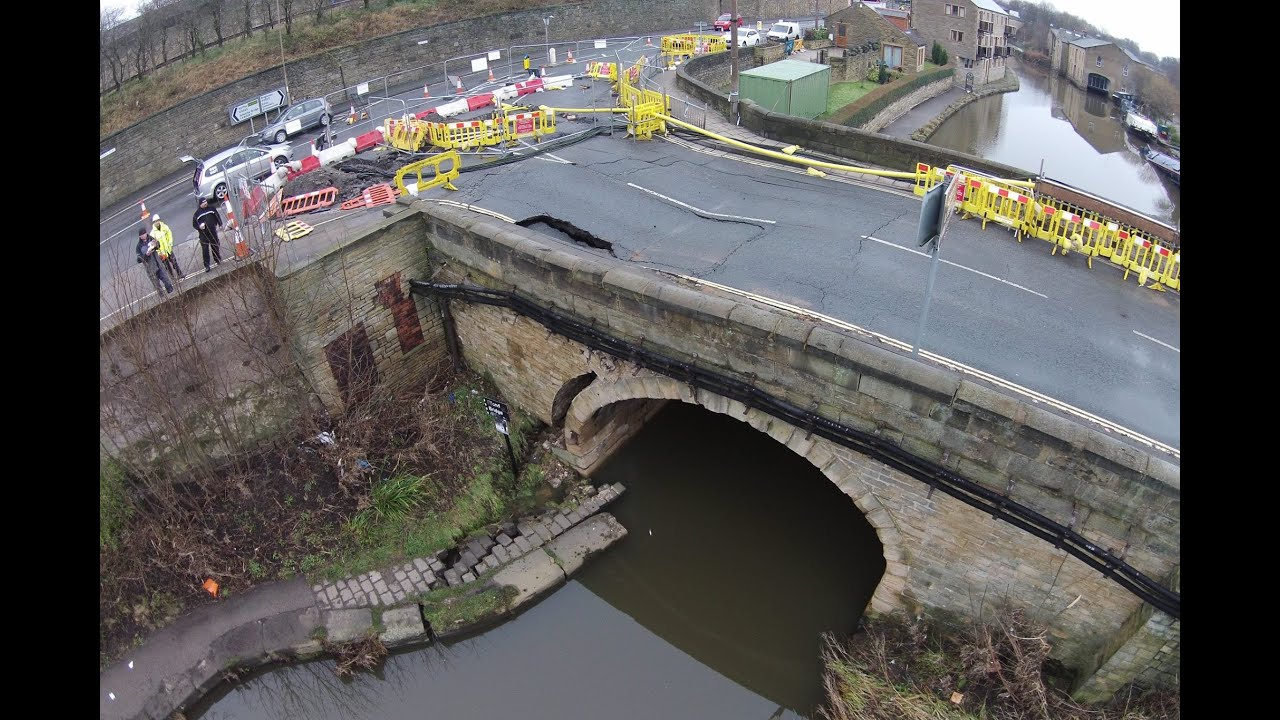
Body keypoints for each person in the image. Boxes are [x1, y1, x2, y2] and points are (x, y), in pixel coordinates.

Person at [136, 226, 174, 296]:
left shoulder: (151, 238)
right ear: (140, 236)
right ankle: (163, 298)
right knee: (157, 286)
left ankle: (172, 293)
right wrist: (146, 255)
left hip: (158, 264)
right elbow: (139, 259)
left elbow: (158, 246)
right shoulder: (139, 246)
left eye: (144, 234)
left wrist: (156, 244)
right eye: (141, 235)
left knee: (166, 280)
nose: (143, 236)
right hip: (150, 269)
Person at [192, 197, 224, 272]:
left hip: (212, 231)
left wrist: (220, 224)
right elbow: (194, 224)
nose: (205, 203)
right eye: (203, 203)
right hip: (204, 235)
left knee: (215, 246)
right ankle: (207, 265)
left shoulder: (211, 209)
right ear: (200, 204)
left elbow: (217, 216)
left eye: (205, 202)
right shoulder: (197, 213)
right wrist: (199, 227)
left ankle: (217, 259)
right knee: (205, 250)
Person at [151, 215, 182, 280]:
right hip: (162, 253)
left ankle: (180, 274)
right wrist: (159, 253)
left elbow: (169, 235)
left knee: (174, 263)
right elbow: (154, 246)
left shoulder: (165, 227)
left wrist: (170, 243)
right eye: (155, 221)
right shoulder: (153, 234)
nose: (157, 222)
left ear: (159, 220)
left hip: (168, 249)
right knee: (167, 266)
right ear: (153, 222)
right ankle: (173, 278)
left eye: (157, 221)